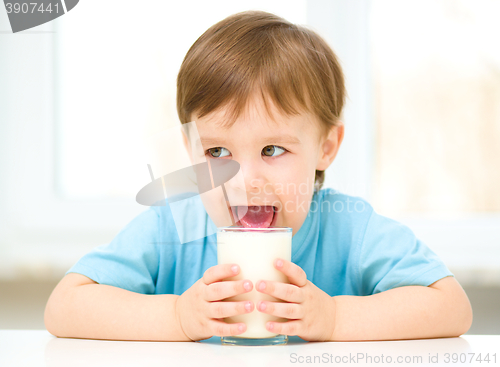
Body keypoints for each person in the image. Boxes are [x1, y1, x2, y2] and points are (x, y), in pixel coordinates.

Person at [44, 10, 472, 342]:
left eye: (272, 150)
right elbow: (63, 307)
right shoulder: (172, 227)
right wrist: (177, 316)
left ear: (326, 147)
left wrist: (336, 317)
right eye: (217, 151)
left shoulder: (351, 229)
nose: (244, 179)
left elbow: (452, 307)